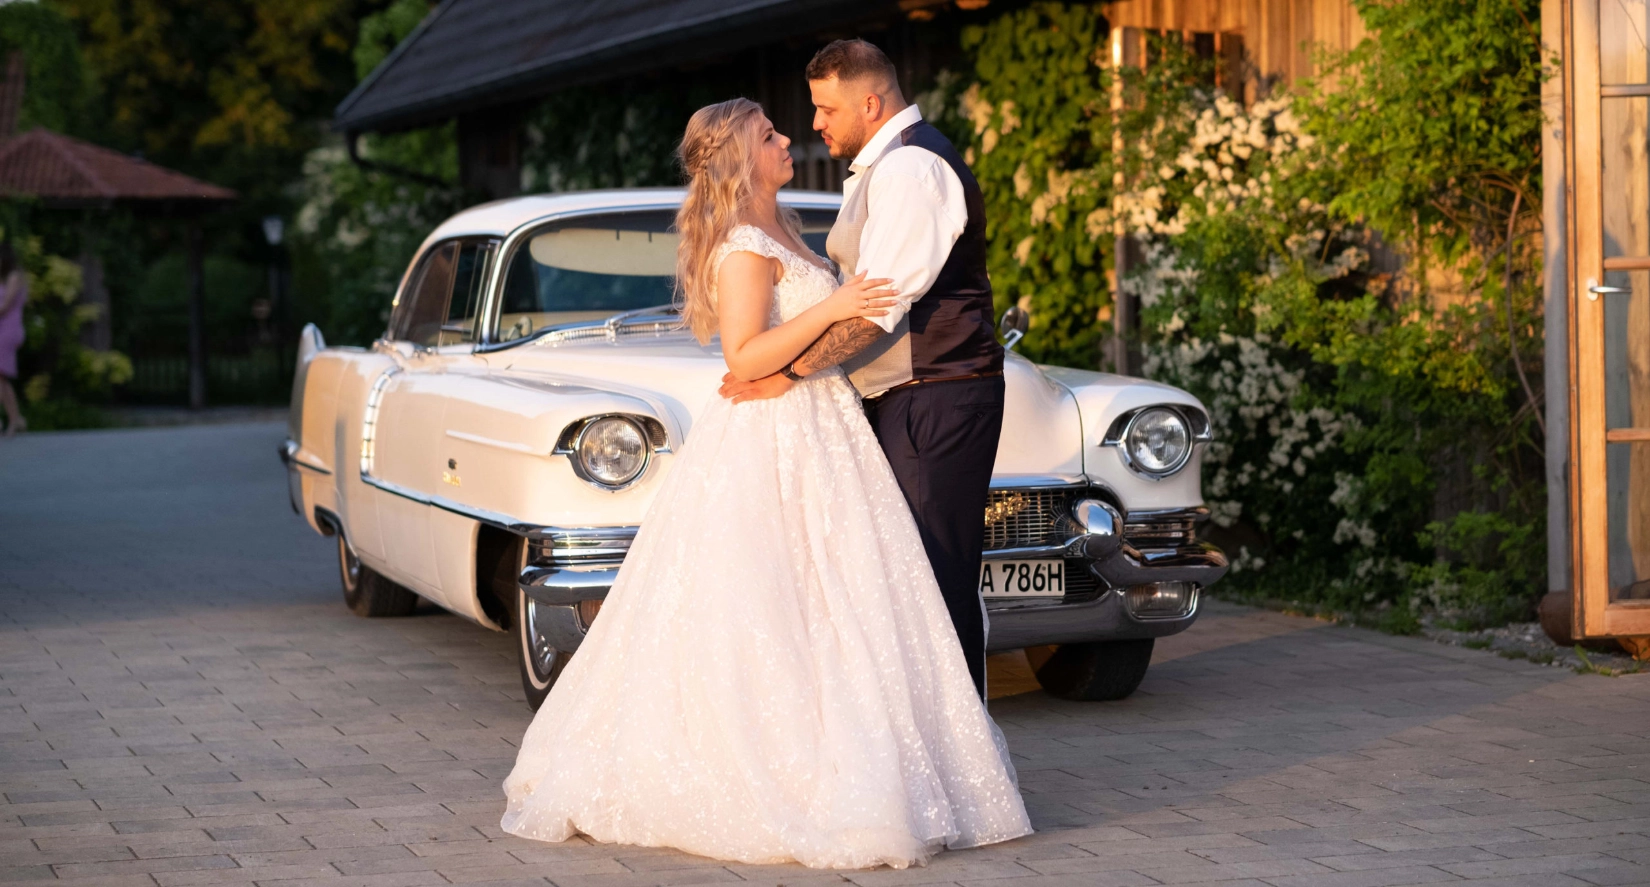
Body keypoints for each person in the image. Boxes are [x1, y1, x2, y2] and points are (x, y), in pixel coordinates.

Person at [499, 97, 1032, 869]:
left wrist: (814, 340)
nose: (790, 139)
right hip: (773, 436)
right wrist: (840, 305)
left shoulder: (786, 227)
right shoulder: (744, 242)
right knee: (775, 602)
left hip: (825, 426)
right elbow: (742, 357)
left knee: (844, 605)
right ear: (743, 158)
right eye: (771, 134)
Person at [721, 39, 1005, 700]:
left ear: (870, 102)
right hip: (910, 398)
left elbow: (875, 312)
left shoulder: (911, 172)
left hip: (935, 395)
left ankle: (965, 759)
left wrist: (788, 375)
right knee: (907, 584)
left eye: (826, 107)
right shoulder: (888, 169)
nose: (814, 123)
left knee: (935, 583)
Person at [0, 241, 27, 437]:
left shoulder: (15, 276)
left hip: (9, 330)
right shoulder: (4, 278)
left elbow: (5, 305)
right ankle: (15, 419)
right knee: (1, 378)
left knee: (1, 377)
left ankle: (14, 419)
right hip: (2, 329)